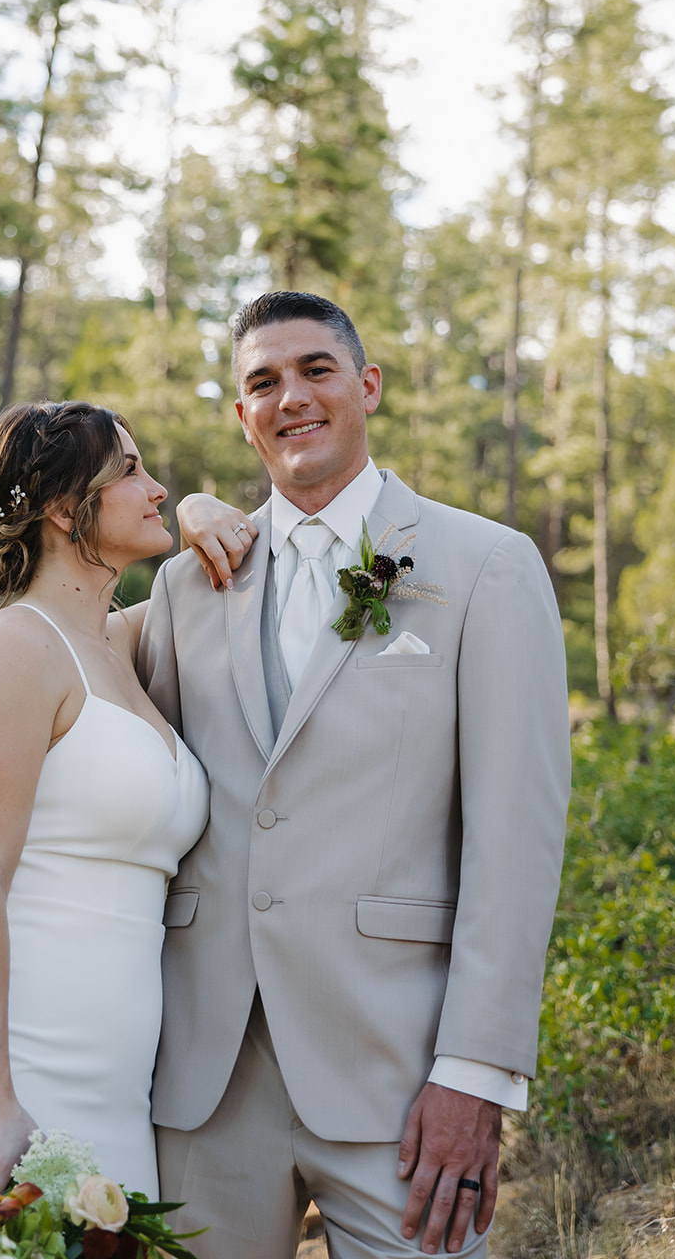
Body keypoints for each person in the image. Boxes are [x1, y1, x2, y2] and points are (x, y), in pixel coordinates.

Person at [139, 291, 573, 1259]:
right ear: (240, 415)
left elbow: (516, 838)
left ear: (365, 386)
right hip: (204, 1082)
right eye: (262, 382)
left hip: (401, 1074)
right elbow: (101, 744)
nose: (289, 396)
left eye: (314, 370)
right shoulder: (183, 585)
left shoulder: (482, 566)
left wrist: (475, 1072)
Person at [0, 400, 255, 1253]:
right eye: (132, 473)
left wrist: (199, 512)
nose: (158, 486)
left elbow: (251, 566)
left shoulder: (124, 645)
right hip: (9, 1056)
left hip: (112, 1069)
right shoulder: (12, 651)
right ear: (67, 511)